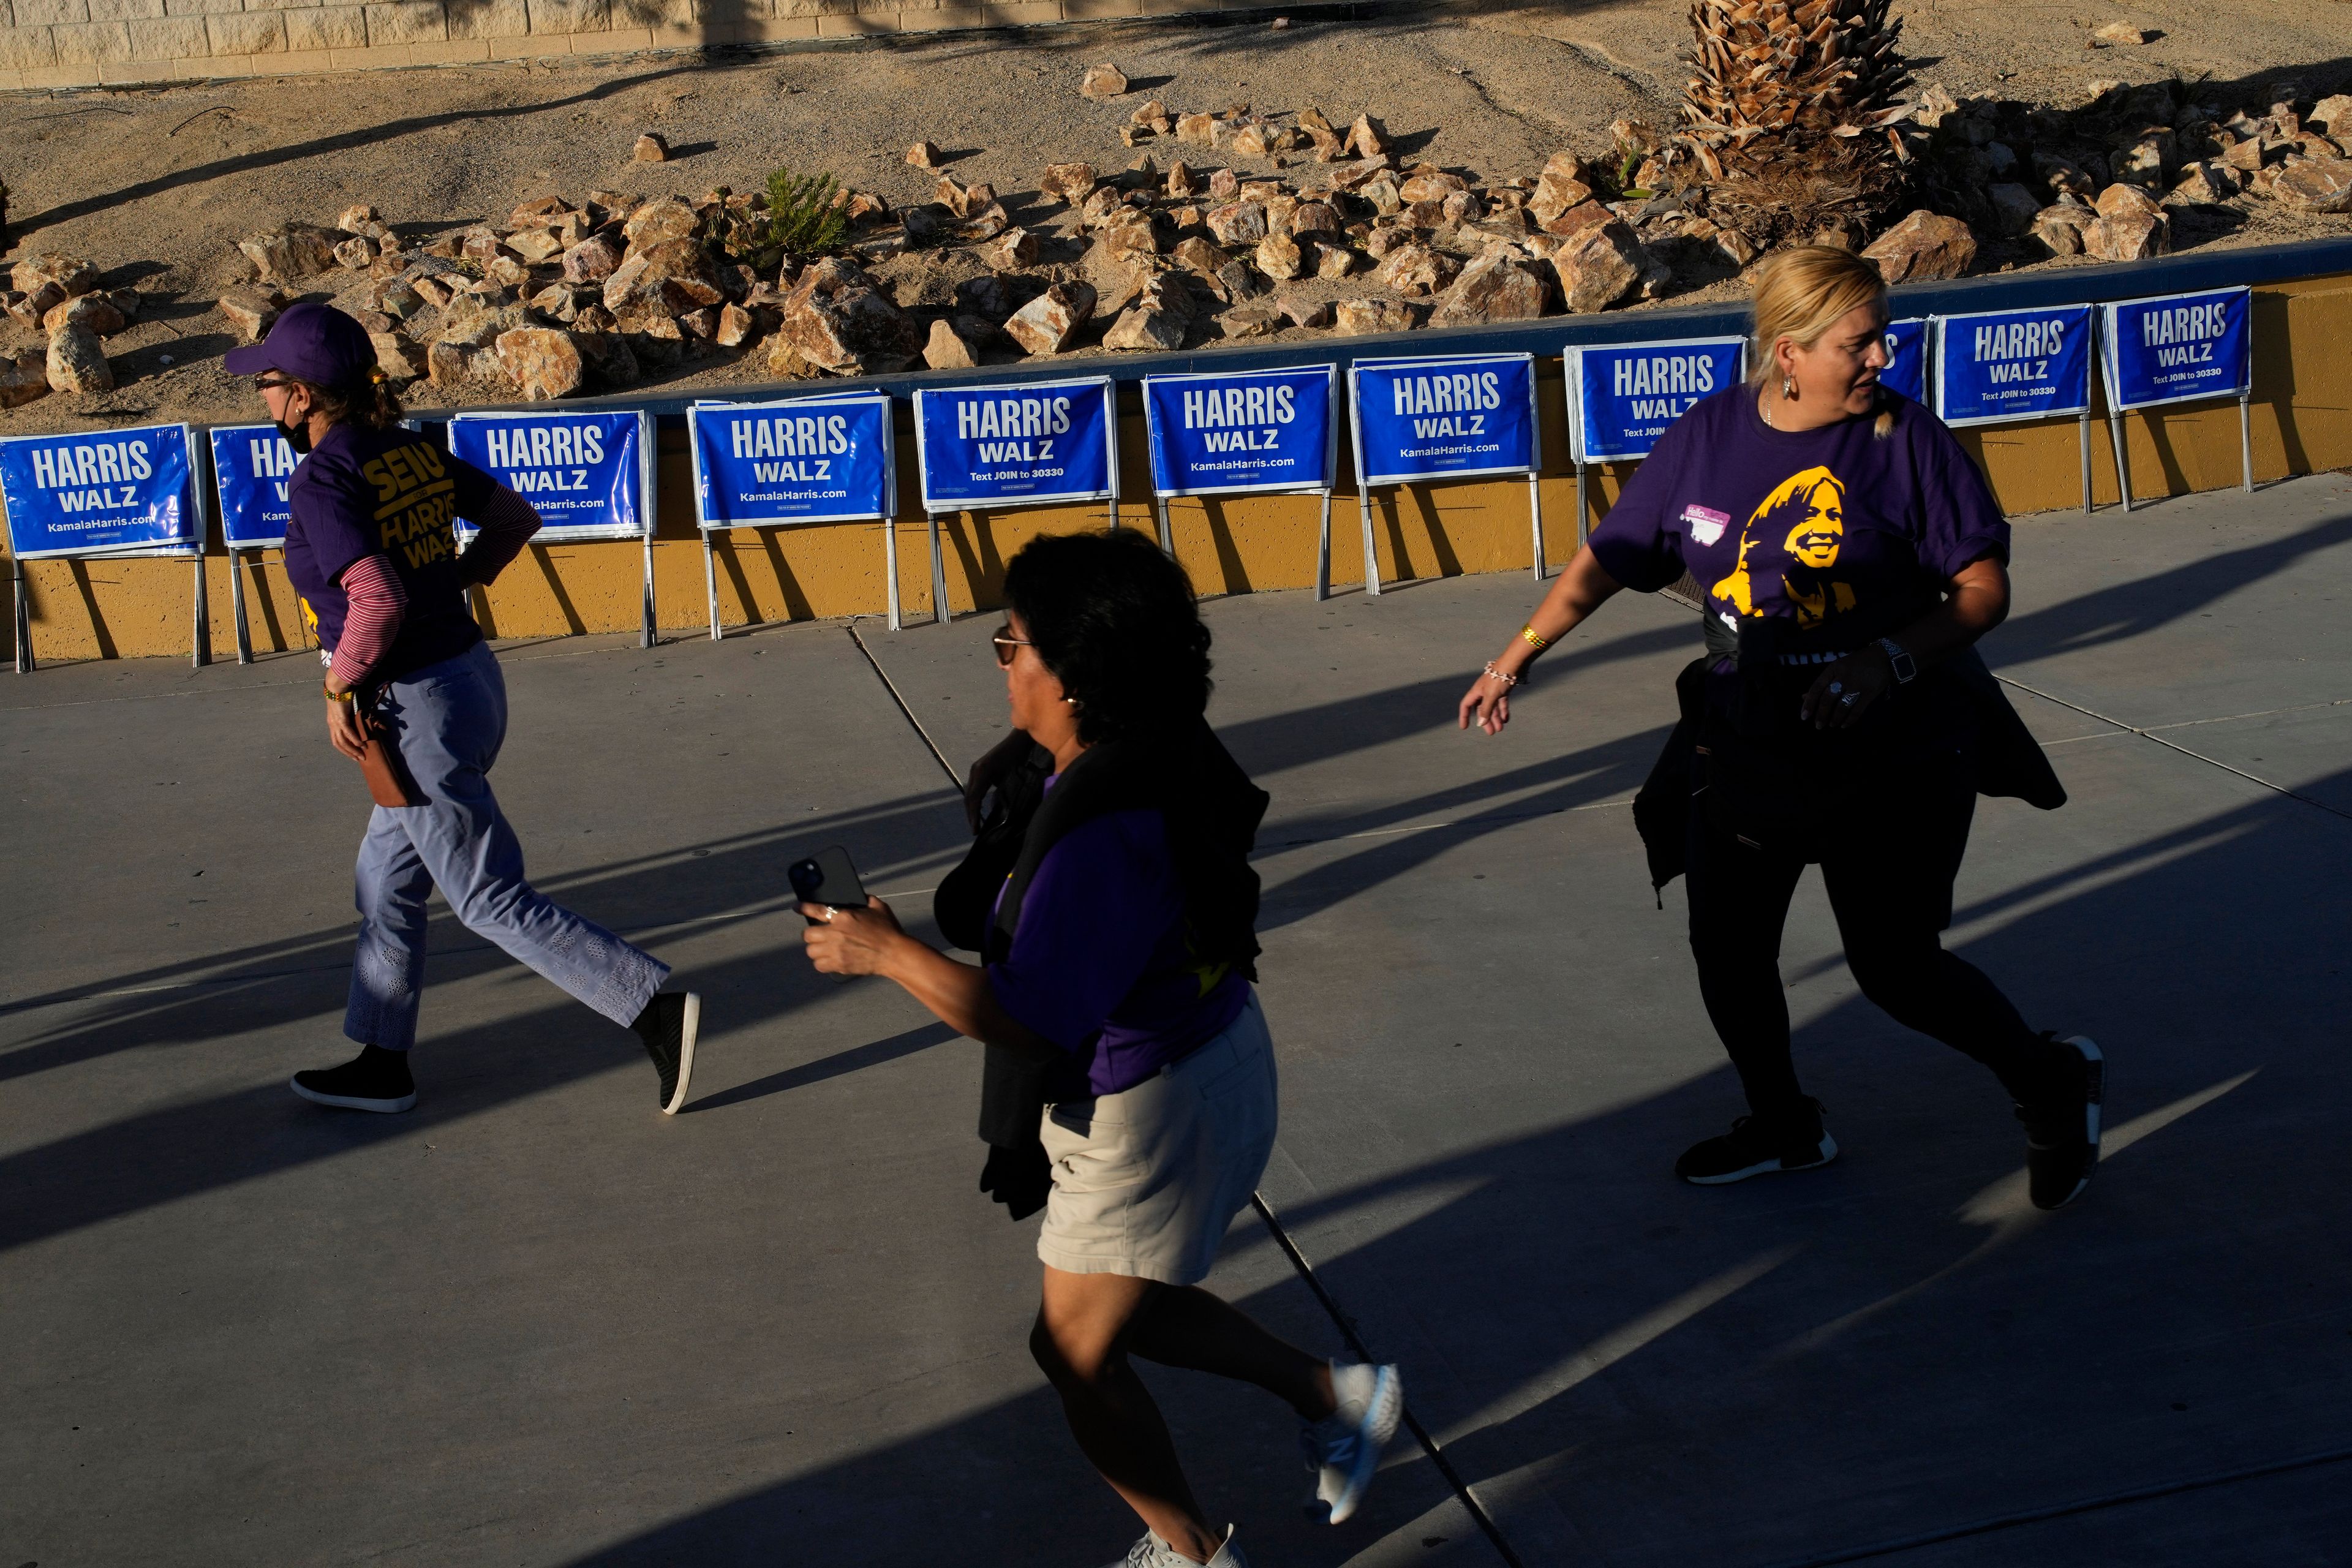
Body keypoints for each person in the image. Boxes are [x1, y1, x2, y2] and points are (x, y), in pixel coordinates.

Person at [1457, 246, 2105, 1212]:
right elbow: (1615, 554)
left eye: (1884, 334)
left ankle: (2049, 1079)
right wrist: (1515, 656)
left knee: (1895, 969)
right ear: (1789, 351)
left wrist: (1881, 662)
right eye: (1861, 341)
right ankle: (1784, 1124)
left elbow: (1982, 590)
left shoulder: (1905, 443)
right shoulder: (1708, 436)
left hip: (1894, 755)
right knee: (1728, 948)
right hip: (1746, 742)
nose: (1884, 355)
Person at [802, 532, 1403, 1568]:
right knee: (1123, 1304)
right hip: (1210, 1058)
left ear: (1072, 678)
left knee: (1075, 1354)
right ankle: (1337, 1395)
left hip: (1149, 1111)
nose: (1001, 661)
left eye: (1010, 644)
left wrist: (885, 953)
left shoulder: (1098, 834)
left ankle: (1194, 1554)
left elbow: (1032, 1018)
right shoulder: (1159, 747)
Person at [227, 303, 701, 1117]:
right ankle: (382, 1062)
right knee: (384, 881)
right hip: (469, 682)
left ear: (304, 395)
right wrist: (452, 582)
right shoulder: (406, 449)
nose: (262, 397)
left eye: (267, 383)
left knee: (486, 897)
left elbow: (372, 601)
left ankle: (651, 1006)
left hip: (416, 713)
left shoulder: (325, 478)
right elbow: (515, 517)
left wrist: (340, 686)